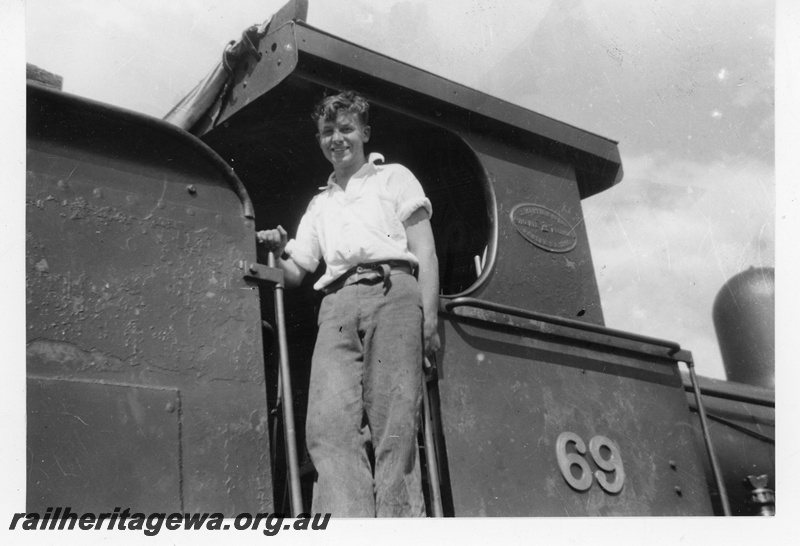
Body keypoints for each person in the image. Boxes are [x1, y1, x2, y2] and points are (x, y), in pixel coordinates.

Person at [257, 90, 440, 517]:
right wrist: (276, 249)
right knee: (328, 429)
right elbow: (295, 273)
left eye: (346, 129)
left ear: (364, 133)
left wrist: (428, 321)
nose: (337, 138)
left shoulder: (393, 177)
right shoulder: (319, 204)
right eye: (327, 131)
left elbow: (425, 252)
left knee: (394, 428)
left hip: (394, 292)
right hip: (337, 306)